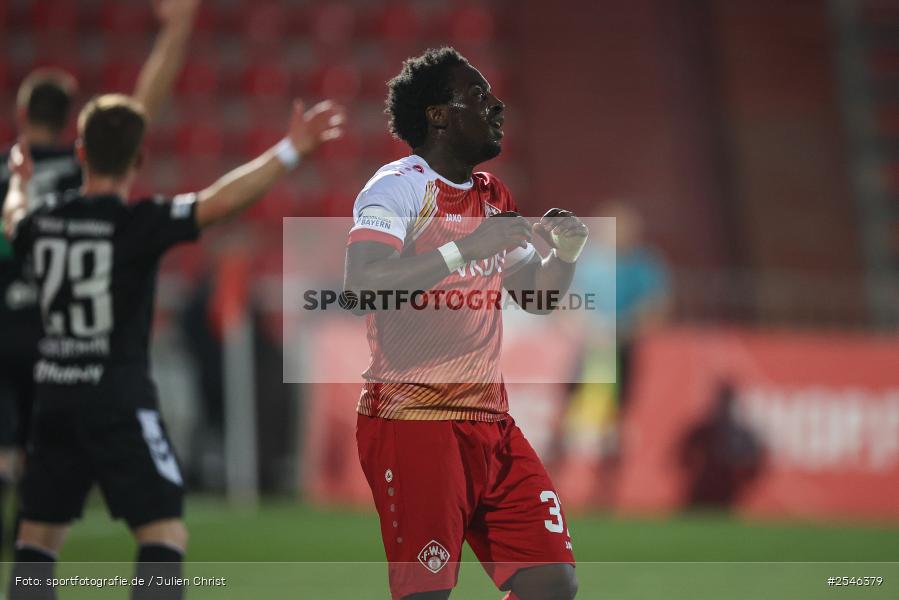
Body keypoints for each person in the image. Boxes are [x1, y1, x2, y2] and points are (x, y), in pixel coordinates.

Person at [3, 94, 344, 600]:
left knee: (36, 540)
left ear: (80, 153)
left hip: (54, 398)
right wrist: (290, 151)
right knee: (162, 531)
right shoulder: (137, 224)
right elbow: (220, 201)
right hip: (117, 401)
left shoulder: (44, 222)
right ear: (139, 159)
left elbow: (14, 220)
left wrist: (20, 181)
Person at [344, 47, 586, 600]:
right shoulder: (398, 187)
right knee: (426, 594)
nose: (497, 106)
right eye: (479, 97)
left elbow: (536, 297)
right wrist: (465, 249)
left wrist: (566, 254)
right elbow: (361, 286)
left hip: (490, 422)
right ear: (439, 115)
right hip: (414, 420)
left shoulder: (492, 196)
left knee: (552, 583)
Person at [0, 0, 200, 559]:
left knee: (22, 465)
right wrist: (176, 32)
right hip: (71, 339)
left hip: (12, 332)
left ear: (21, 112)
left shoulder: (10, 176)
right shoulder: (81, 170)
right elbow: (140, 110)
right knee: (152, 523)